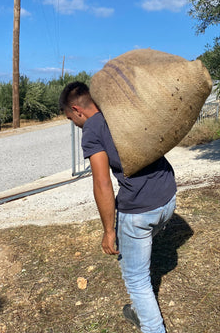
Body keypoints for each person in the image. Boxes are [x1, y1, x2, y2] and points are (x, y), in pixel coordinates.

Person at [59, 81, 177, 333]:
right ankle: (140, 309)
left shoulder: (92, 128)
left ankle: (152, 327)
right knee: (138, 251)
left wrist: (108, 230)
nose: (75, 124)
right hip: (168, 196)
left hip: (139, 211)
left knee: (136, 279)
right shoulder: (121, 111)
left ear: (77, 109)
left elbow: (102, 183)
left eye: (71, 119)